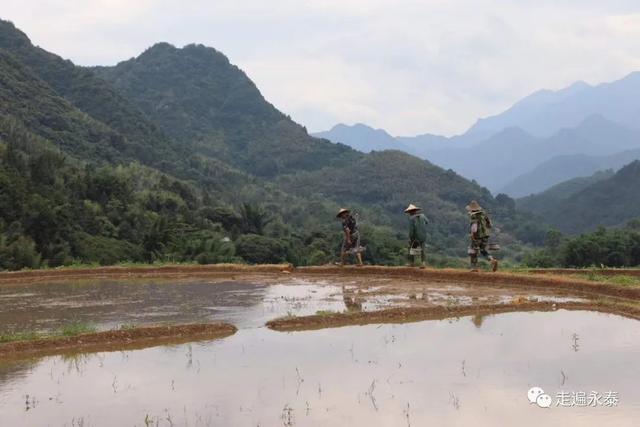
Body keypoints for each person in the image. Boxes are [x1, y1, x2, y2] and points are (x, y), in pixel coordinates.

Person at [466, 200, 498, 272]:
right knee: (483, 250)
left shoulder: (474, 216)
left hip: (477, 236)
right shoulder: (484, 214)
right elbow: (490, 225)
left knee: (473, 251)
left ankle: (474, 267)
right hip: (485, 236)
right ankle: (492, 260)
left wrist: (472, 236)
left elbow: (474, 228)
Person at [404, 204, 428, 268]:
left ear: (411, 212)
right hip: (423, 236)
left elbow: (411, 231)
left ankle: (412, 263)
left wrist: (411, 239)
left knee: (410, 248)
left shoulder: (411, 219)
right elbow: (427, 222)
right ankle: (423, 263)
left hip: (416, 237)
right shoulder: (423, 216)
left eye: (409, 212)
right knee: (423, 249)